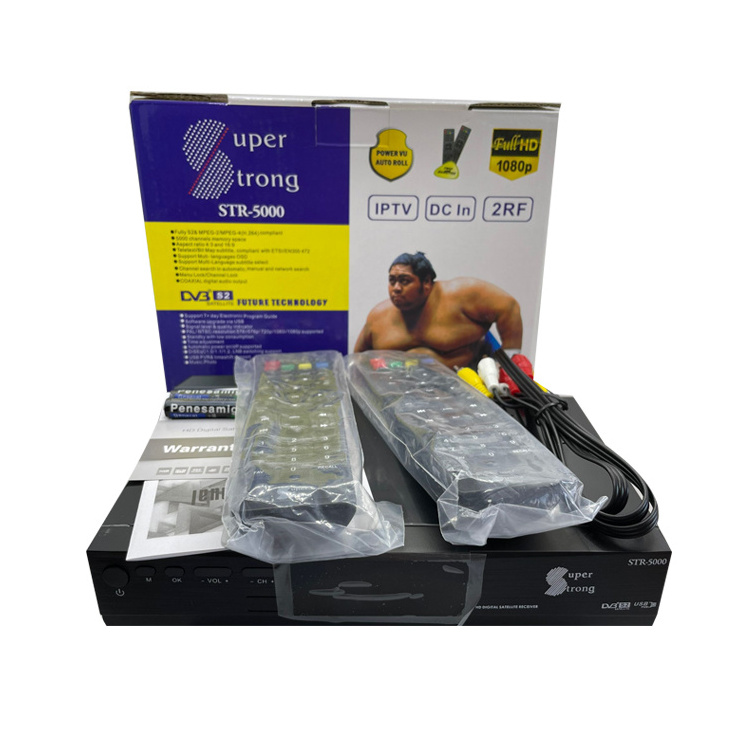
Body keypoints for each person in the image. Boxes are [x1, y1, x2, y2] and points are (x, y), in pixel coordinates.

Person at [354, 252, 523, 370]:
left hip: (465, 387)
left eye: (405, 281)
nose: (396, 288)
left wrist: (508, 365)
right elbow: (358, 360)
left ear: (427, 282)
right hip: (398, 393)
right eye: (392, 281)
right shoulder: (378, 317)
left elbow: (509, 307)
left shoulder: (461, 294)